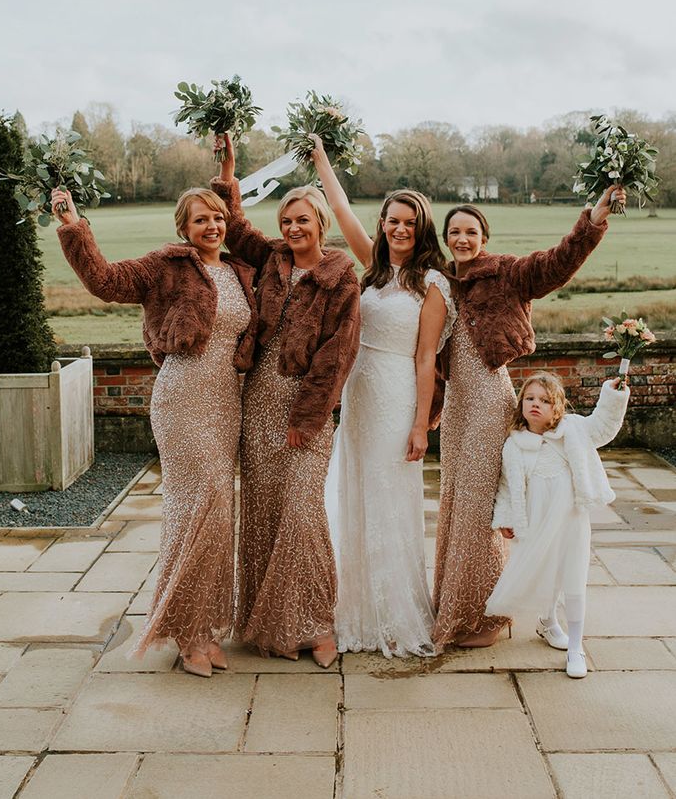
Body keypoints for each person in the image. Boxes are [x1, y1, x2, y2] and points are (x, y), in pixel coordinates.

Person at [51, 185, 258, 678]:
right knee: (195, 509)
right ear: (183, 229)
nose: (212, 226)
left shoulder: (239, 272)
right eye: (200, 220)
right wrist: (71, 224)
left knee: (217, 515)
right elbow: (104, 280)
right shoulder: (167, 266)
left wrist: (228, 173)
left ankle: (205, 626)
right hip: (183, 397)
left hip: (227, 401)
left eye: (217, 217)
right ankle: (186, 634)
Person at [432, 184, 627, 652]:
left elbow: (558, 262)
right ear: (444, 237)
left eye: (471, 231)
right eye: (454, 231)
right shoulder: (440, 281)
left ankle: (485, 609)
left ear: (484, 235)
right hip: (457, 405)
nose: (462, 239)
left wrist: (593, 220)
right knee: (456, 503)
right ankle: (451, 602)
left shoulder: (508, 273)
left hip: (489, 399)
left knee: (480, 507)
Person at [211, 135, 361, 668]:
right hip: (257, 403)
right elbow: (232, 224)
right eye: (288, 221)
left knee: (302, 512)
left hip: (304, 409)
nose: (294, 229)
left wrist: (308, 418)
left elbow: (337, 357)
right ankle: (269, 626)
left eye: (303, 220)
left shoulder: (342, 277)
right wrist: (228, 172)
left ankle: (317, 625)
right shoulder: (272, 258)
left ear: (321, 223)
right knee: (263, 512)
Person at [311, 137, 454, 657]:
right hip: (358, 392)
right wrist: (323, 160)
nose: (398, 229)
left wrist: (421, 424)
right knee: (352, 491)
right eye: (392, 220)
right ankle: (353, 604)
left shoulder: (432, 283)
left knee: (390, 496)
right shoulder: (372, 267)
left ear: (421, 229)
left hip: (396, 394)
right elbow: (342, 209)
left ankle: (393, 612)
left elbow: (425, 359)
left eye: (408, 223)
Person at [485, 372, 629, 678]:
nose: (536, 404)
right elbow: (507, 486)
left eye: (545, 400)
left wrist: (613, 396)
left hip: (571, 519)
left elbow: (603, 426)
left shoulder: (573, 430)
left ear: (558, 407)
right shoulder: (515, 445)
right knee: (545, 575)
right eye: (530, 398)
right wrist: (506, 519)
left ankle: (576, 647)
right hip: (536, 520)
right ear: (521, 403)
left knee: (573, 578)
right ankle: (547, 622)